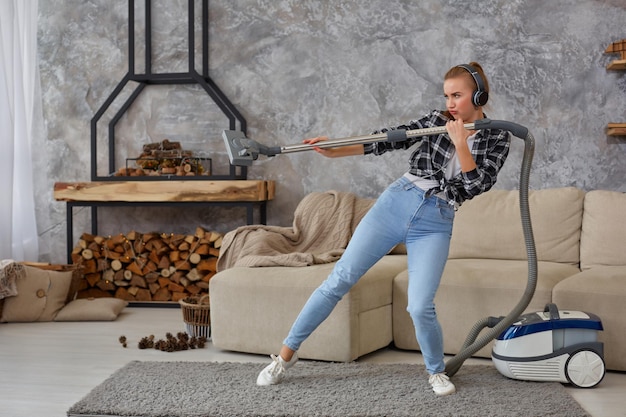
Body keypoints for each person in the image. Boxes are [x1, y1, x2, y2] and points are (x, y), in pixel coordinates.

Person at [255, 62, 511, 396]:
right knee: (339, 279)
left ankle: (436, 372)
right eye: (447, 95)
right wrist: (333, 150)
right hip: (396, 203)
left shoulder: (499, 136)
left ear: (479, 95)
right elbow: (385, 140)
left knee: (420, 305)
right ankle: (284, 358)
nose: (450, 103)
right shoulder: (436, 121)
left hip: (437, 220)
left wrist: (461, 142)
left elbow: (476, 184)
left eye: (457, 95)